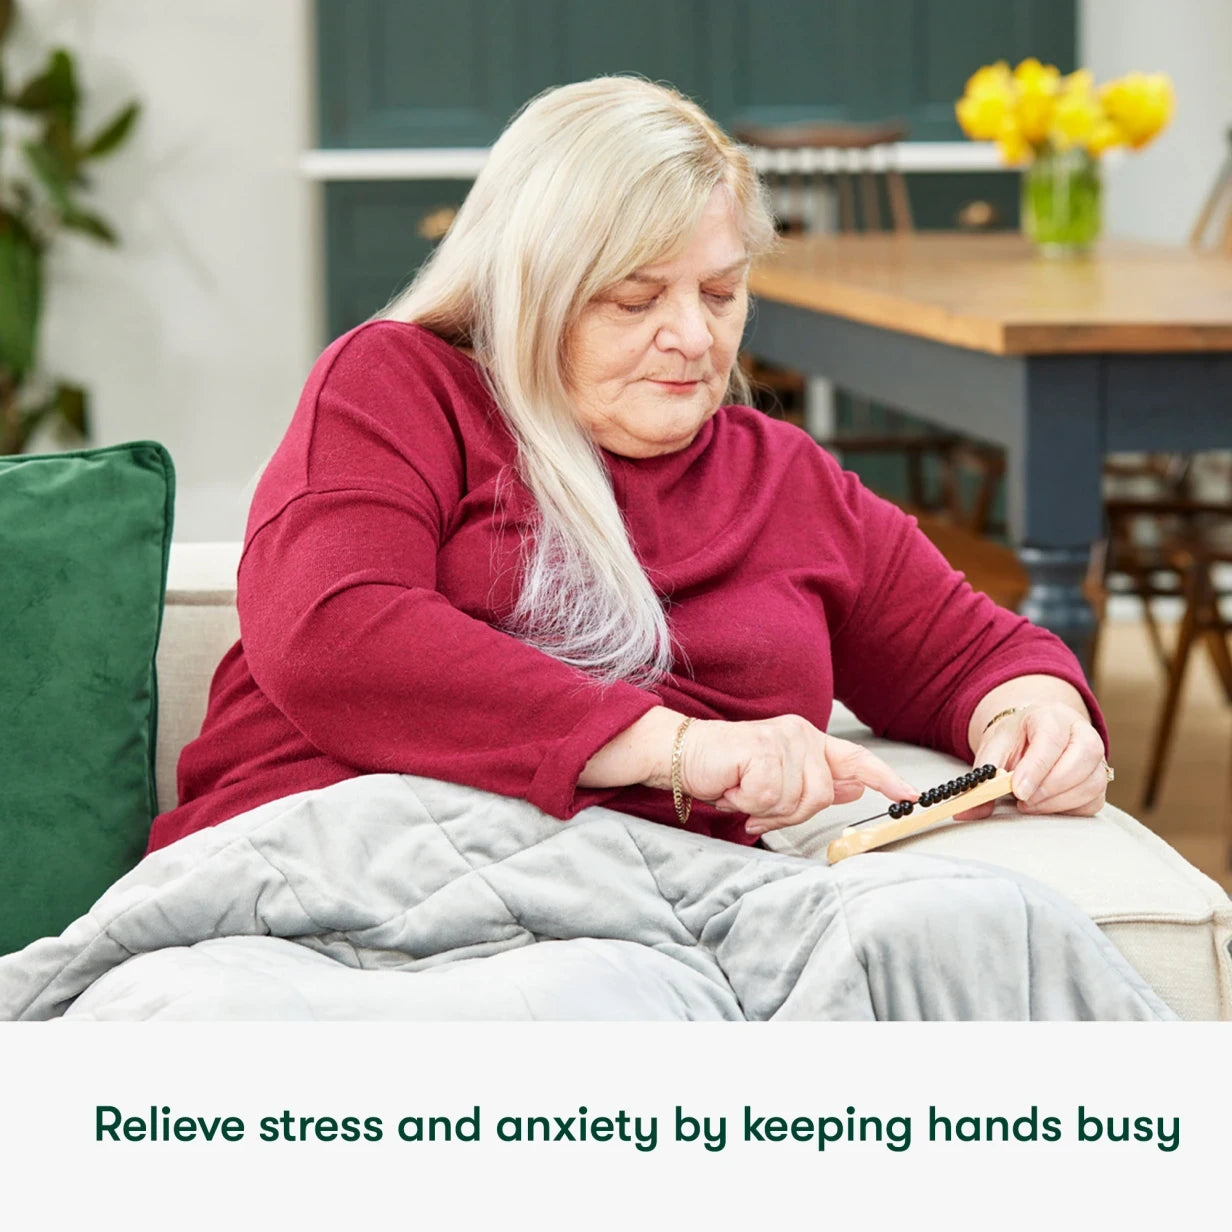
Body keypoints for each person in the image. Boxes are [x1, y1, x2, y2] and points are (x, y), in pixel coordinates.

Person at [149, 75, 1110, 858]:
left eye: (721, 291)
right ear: (527, 288)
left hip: (631, 910)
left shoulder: (779, 476)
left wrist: (1036, 716)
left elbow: (975, 655)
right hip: (328, 853)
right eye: (633, 298)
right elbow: (335, 633)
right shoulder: (397, 385)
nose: (693, 338)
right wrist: (683, 751)